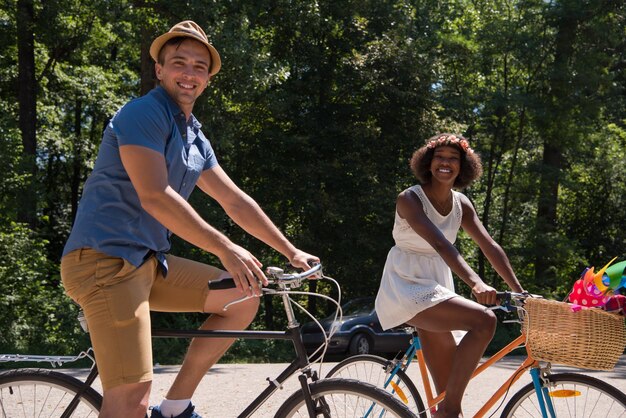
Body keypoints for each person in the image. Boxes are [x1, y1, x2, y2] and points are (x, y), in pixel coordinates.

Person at [60, 20, 317, 418]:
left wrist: (290, 250)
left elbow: (235, 202)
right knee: (131, 399)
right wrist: (226, 248)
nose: (189, 73)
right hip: (104, 261)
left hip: (148, 262)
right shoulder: (143, 113)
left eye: (200, 66)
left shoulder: (194, 135)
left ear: (208, 79)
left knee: (244, 294)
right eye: (179, 62)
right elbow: (154, 196)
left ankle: (176, 408)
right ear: (159, 70)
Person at [375, 133, 525, 418]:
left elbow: (489, 245)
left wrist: (519, 290)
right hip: (405, 285)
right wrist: (476, 282)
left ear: (463, 166)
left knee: (445, 390)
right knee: (484, 320)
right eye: (440, 157)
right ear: (428, 163)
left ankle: (447, 411)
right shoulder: (410, 198)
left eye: (453, 159)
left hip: (438, 285)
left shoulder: (461, 205)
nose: (446, 163)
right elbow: (441, 244)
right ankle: (450, 410)